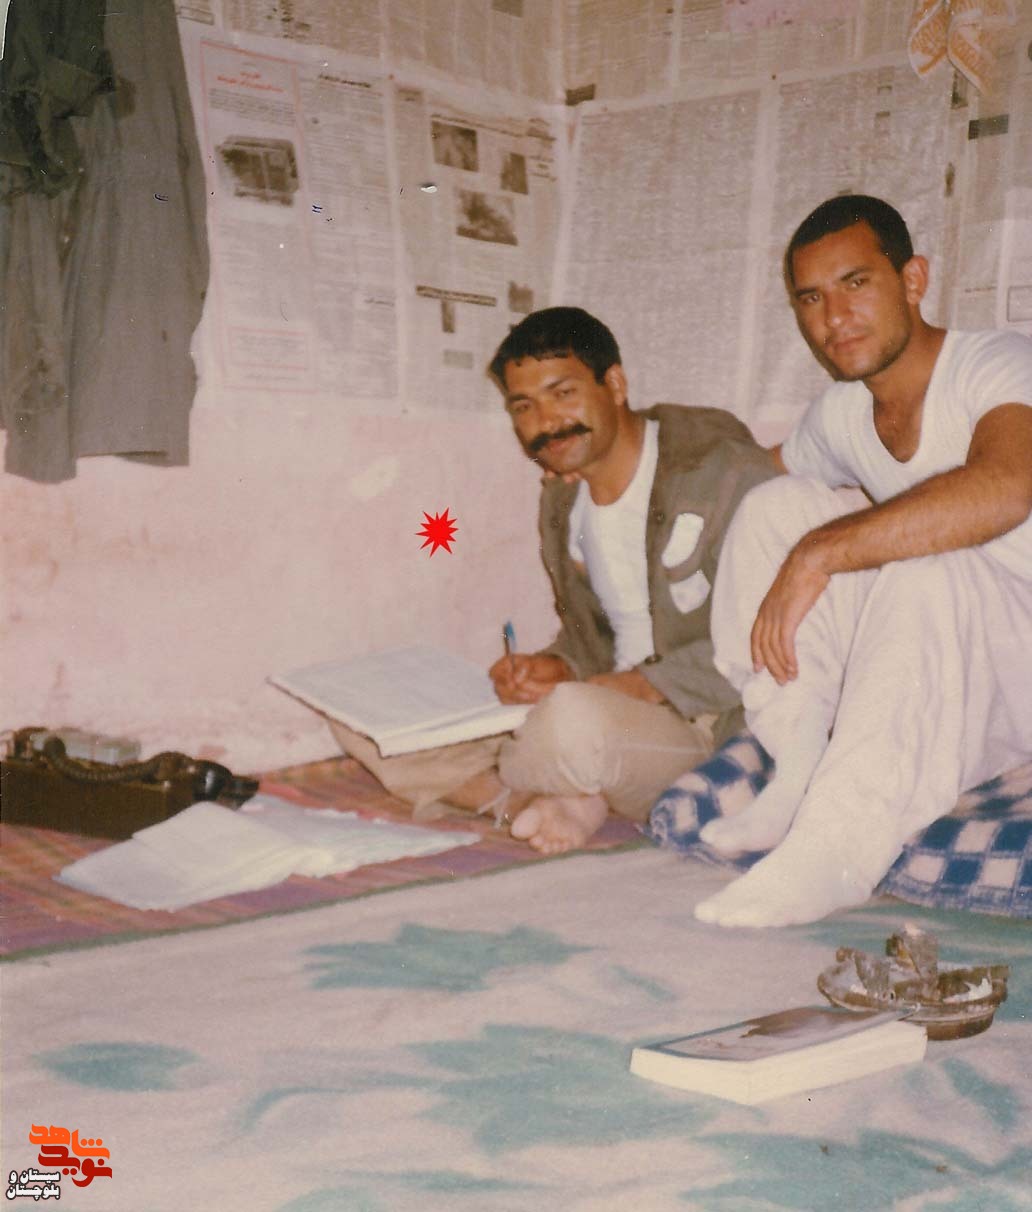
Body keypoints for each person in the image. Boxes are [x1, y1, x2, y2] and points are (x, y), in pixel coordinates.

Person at [693, 194, 1032, 928]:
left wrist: (820, 554)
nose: (834, 318)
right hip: (951, 662)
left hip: (1020, 658)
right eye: (811, 298)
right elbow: (747, 473)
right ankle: (798, 769)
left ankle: (838, 852)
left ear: (913, 279)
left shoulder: (998, 365)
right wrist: (629, 458)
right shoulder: (841, 413)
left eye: (855, 283)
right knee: (775, 510)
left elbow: (1007, 487)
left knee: (922, 564)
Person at [332, 306, 774, 853]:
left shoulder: (722, 473)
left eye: (563, 393)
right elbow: (600, 638)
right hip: (610, 712)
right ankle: (537, 800)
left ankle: (542, 783)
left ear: (615, 384)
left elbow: (776, 634)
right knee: (362, 718)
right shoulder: (565, 500)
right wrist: (557, 666)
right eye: (524, 406)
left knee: (569, 723)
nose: (546, 422)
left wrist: (639, 685)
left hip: (706, 721)